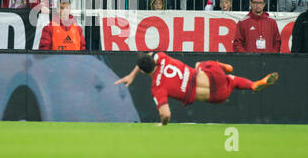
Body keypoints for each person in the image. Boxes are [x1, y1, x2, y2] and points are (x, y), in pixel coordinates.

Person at [115, 52, 279, 126]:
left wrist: (163, 124)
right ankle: (249, 82)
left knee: (230, 83)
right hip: (214, 75)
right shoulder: (162, 57)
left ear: (143, 71)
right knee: (202, 67)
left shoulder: (157, 88)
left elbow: (166, 114)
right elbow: (151, 55)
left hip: (216, 96)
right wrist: (132, 74)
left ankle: (234, 75)